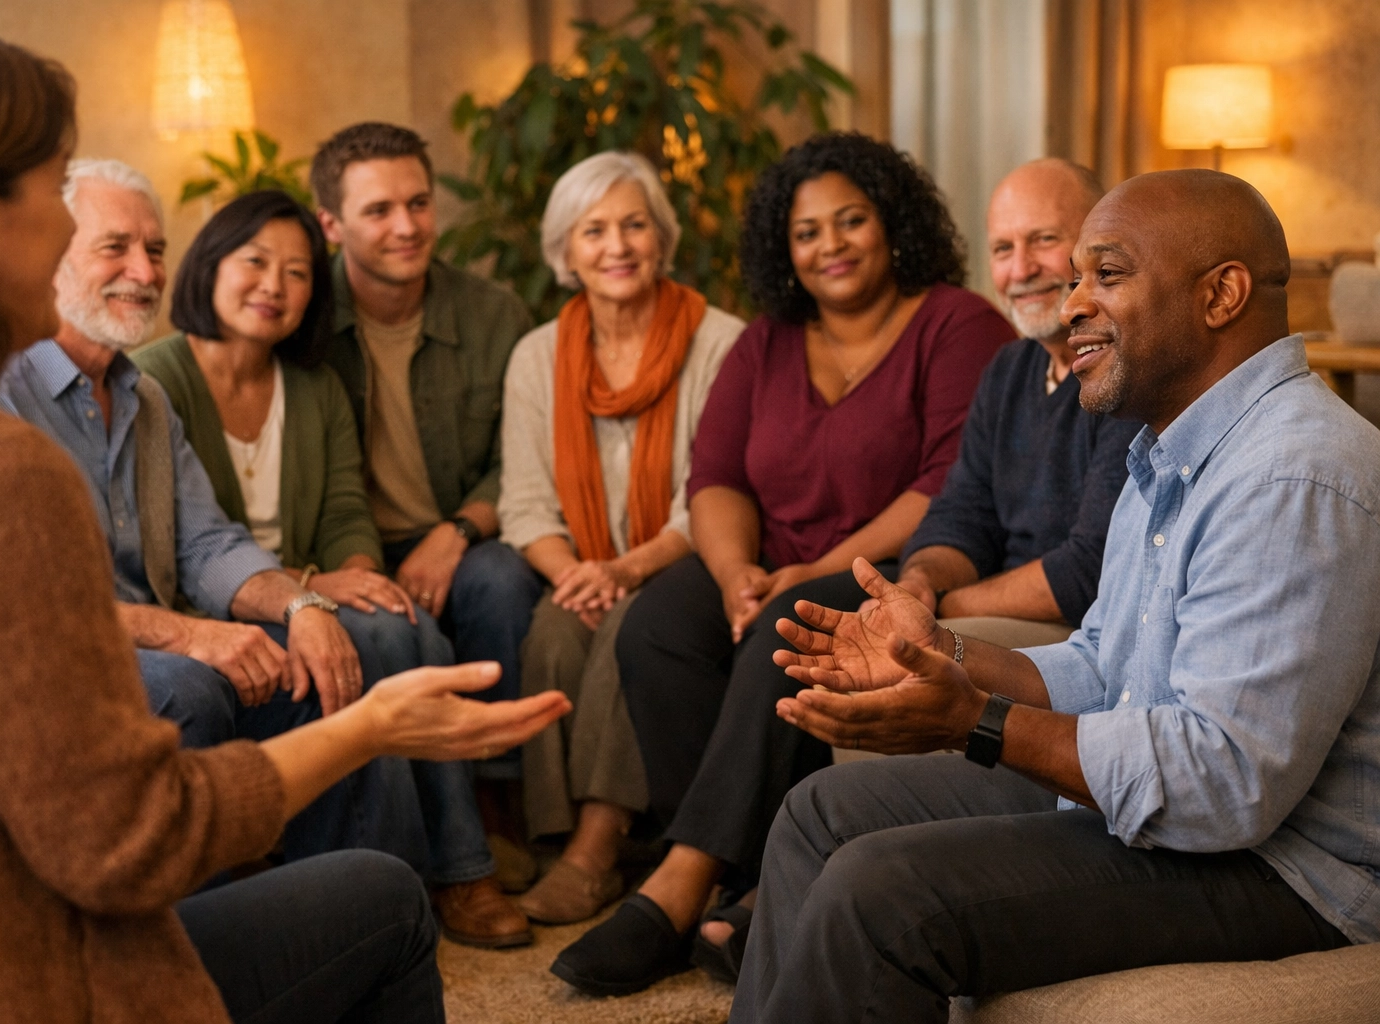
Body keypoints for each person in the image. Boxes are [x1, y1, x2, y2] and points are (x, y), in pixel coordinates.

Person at [0, 14, 568, 1024]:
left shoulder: (116, 402)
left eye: (152, 245)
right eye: (54, 196)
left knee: (349, 649)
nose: (102, 251)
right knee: (381, 902)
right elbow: (128, 839)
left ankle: (452, 865)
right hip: (26, 976)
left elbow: (208, 544)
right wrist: (367, 728)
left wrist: (304, 600)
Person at [738, 169, 1380, 1024]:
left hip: (1287, 867)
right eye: (1075, 275)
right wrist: (943, 654)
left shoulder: (1295, 475)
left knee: (881, 890)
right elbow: (1100, 662)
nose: (1071, 301)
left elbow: (1223, 786)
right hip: (1197, 821)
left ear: (1221, 293)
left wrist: (973, 723)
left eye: (1105, 276)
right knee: (822, 813)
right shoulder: (1160, 454)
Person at [553, 131, 1015, 996]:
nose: (830, 245)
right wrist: (732, 573)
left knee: (788, 623)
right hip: (766, 564)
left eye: (852, 221)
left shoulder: (958, 323)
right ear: (783, 246)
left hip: (897, 568)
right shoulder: (766, 341)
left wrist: (805, 575)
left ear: (893, 224)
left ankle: (681, 884)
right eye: (807, 231)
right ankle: (756, 882)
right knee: (655, 624)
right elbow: (716, 477)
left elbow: (944, 486)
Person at [132, 188, 530, 948]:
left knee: (393, 618)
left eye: (299, 272)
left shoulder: (312, 383)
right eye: (255, 263)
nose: (275, 287)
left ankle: (437, 881)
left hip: (312, 591)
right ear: (210, 263)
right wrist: (310, 591)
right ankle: (436, 877)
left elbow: (348, 507)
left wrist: (357, 576)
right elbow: (180, 550)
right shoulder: (155, 380)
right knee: (377, 644)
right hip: (229, 611)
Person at [499, 152, 745, 924]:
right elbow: (525, 503)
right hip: (588, 564)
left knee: (629, 631)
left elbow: (711, 487)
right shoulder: (538, 355)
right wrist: (580, 573)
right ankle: (562, 835)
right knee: (551, 630)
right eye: (594, 230)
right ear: (565, 251)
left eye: (635, 224)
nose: (617, 245)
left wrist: (628, 571)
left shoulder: (720, 341)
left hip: (691, 556)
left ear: (662, 237)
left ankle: (595, 851)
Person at [311, 122, 542, 718]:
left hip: (462, 533)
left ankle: (502, 779)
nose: (407, 227)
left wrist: (456, 533)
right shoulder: (300, 326)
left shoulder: (494, 314)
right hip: (342, 549)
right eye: (379, 210)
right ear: (330, 225)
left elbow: (521, 461)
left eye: (418, 204)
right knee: (387, 628)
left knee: (502, 581)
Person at [896, 158, 1138, 649]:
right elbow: (962, 515)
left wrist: (946, 604)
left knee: (900, 658)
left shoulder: (1128, 370)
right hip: (998, 613)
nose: (1021, 269)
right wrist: (919, 582)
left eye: (1044, 240)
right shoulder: (1009, 369)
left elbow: (1092, 567)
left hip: (1088, 629)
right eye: (1003, 249)